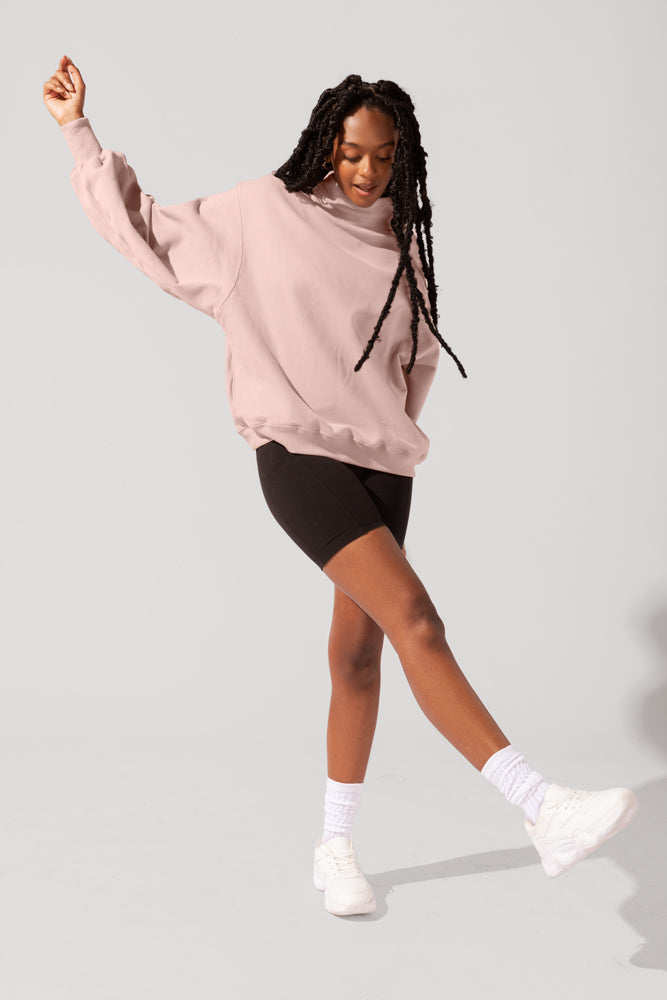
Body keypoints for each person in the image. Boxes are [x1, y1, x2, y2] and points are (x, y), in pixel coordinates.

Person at [44, 54, 639, 918]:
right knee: (416, 618)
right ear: (325, 143)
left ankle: (335, 849)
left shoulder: (402, 244)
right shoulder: (259, 213)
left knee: (358, 658)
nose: (366, 171)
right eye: (353, 152)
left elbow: (416, 361)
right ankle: (540, 807)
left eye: (384, 157)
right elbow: (145, 230)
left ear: (404, 159)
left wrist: (388, 438)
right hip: (298, 454)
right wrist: (77, 130)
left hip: (382, 464)